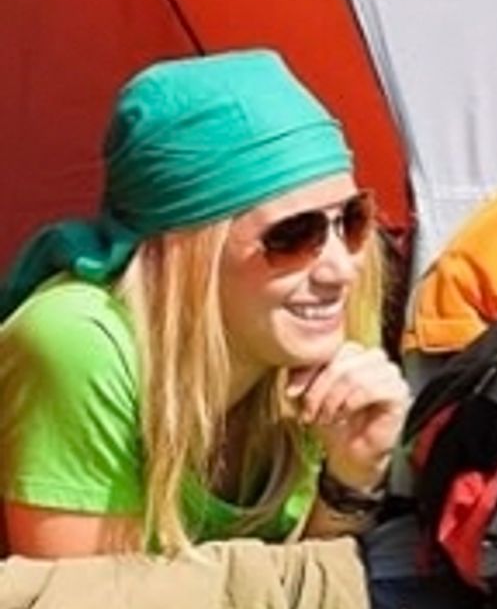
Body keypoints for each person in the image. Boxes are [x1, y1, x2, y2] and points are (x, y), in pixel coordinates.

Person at [0, 50, 410, 560]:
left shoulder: (319, 332)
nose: (341, 269)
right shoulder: (80, 344)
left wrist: (351, 476)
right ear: (189, 248)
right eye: (294, 234)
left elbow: (316, 602)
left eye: (350, 220)